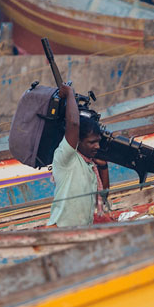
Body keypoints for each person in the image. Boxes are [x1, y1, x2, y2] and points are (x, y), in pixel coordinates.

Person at [47, 83, 110, 227]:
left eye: (98, 142)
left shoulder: (90, 166)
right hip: (62, 230)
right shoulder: (66, 158)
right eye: (92, 142)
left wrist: (104, 167)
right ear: (78, 141)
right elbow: (73, 125)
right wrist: (69, 93)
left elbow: (103, 196)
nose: (97, 146)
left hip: (82, 230)